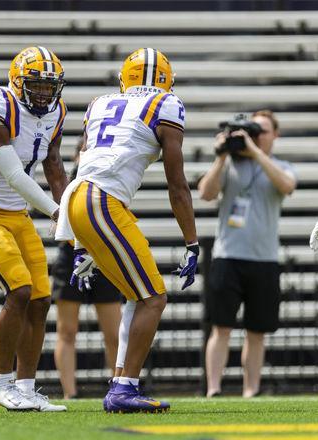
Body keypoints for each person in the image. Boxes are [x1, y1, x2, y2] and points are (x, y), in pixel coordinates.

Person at [55, 47, 198, 413]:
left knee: (138, 296)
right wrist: (192, 242)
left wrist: (81, 241)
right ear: (166, 80)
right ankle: (124, 388)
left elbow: (88, 160)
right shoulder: (167, 105)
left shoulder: (100, 103)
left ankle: (121, 383)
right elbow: (177, 184)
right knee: (154, 297)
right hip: (102, 201)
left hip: (79, 198)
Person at [0, 46, 68, 411]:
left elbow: (53, 164)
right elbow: (13, 174)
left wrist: (69, 208)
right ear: (17, 81)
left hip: (19, 215)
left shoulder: (57, 113)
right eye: (36, 85)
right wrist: (58, 213)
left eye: (48, 86)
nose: (43, 93)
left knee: (40, 299)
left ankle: (25, 387)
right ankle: (1, 384)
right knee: (19, 291)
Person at [198, 110, 297, 398]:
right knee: (221, 327)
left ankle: (250, 390)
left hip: (264, 259)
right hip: (228, 256)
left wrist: (254, 152)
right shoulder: (229, 165)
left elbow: (287, 186)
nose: (256, 136)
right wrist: (220, 155)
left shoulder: (280, 166)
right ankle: (214, 389)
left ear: (275, 135)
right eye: (253, 131)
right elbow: (205, 193)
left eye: (262, 130)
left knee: (257, 332)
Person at [53, 141, 123, 399]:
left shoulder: (111, 178)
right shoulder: (69, 180)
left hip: (103, 255)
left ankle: (119, 387)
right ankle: (69, 393)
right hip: (71, 255)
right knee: (67, 330)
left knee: (113, 332)